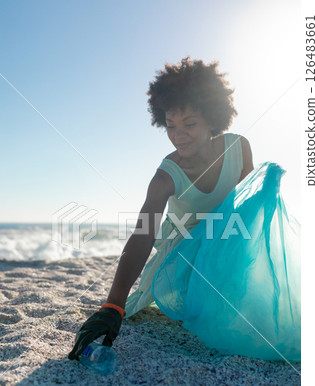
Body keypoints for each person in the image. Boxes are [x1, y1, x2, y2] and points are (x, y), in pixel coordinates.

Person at [68, 56, 300, 363]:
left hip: (227, 249)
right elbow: (144, 233)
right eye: (170, 125)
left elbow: (248, 207)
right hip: (182, 264)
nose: (178, 135)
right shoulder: (166, 175)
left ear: (213, 119)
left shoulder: (239, 148)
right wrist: (113, 306)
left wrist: (267, 191)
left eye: (189, 124)